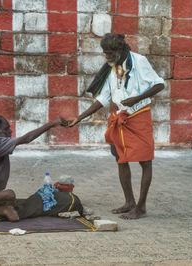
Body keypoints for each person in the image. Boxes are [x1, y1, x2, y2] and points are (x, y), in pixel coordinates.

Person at [66, 33, 165, 219]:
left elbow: (160, 84)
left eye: (110, 53)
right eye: (105, 54)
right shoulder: (113, 68)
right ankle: (129, 202)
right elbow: (103, 97)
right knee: (121, 159)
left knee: (145, 161)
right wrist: (79, 118)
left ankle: (141, 208)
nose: (107, 57)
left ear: (120, 50)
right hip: (119, 117)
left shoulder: (139, 61)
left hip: (138, 116)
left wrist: (138, 97)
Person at [0, 115, 66, 221]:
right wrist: (52, 124)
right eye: (6, 129)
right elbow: (27, 139)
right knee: (10, 195)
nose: (10, 132)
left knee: (11, 205)